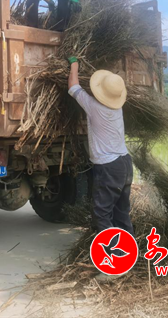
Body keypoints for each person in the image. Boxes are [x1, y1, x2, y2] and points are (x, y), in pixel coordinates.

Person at [66, 56, 135, 235]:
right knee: (121, 212)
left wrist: (74, 64)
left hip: (109, 167)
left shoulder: (94, 106)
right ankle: (129, 248)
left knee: (102, 214)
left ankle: (110, 249)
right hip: (125, 163)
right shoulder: (117, 108)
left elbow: (73, 86)